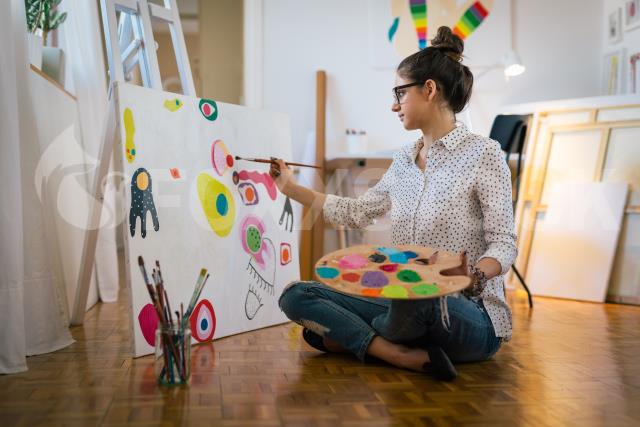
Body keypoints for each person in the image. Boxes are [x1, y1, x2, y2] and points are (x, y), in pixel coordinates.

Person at [268, 26, 517, 381]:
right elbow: (357, 212)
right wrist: (290, 187)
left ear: (429, 89)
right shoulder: (402, 161)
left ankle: (352, 336)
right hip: (402, 301)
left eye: (401, 92)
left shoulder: (484, 154)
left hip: (467, 313)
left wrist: (474, 276)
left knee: (419, 300)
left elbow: (504, 243)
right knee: (298, 294)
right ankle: (397, 353)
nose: (394, 104)